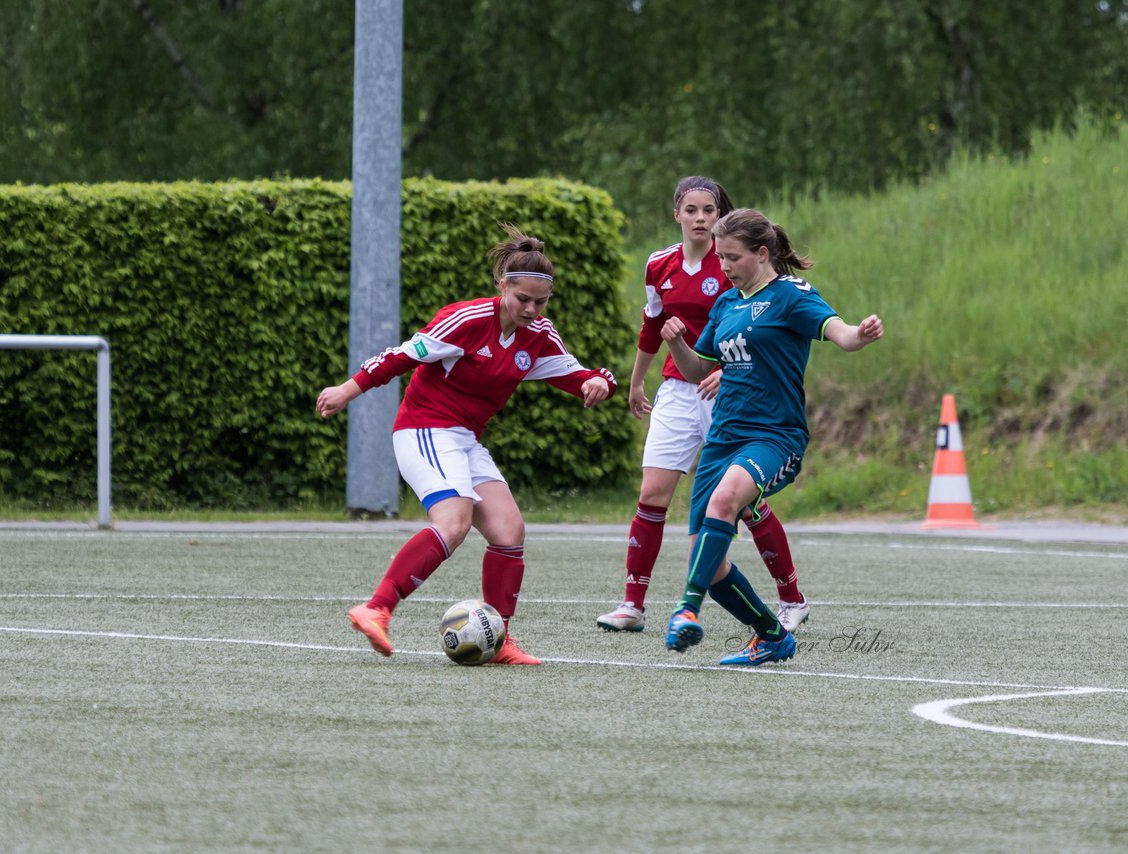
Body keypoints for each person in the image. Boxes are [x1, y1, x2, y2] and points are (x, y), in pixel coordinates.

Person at [316, 224, 617, 665]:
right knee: (453, 523)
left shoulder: (539, 335)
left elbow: (577, 376)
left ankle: (499, 641)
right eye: (523, 299)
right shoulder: (467, 319)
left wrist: (599, 383)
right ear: (503, 286)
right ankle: (377, 607)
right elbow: (400, 356)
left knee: (509, 532)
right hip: (424, 428)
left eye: (541, 301)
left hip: (465, 440)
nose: (532, 309)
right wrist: (348, 389)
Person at [659, 208, 883, 665]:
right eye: (720, 258)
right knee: (709, 563)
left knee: (725, 502)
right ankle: (772, 635)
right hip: (723, 438)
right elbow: (699, 370)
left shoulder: (791, 295)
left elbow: (840, 335)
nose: (724, 267)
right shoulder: (726, 303)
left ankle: (686, 609)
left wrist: (860, 333)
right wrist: (677, 342)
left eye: (732, 258)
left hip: (773, 435)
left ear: (762, 254)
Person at [597, 177, 809, 635]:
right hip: (677, 389)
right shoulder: (659, 264)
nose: (699, 218)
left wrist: (725, 371)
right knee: (652, 493)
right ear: (676, 214)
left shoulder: (735, 263)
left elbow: (753, 332)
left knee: (740, 503)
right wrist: (637, 382)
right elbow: (652, 327)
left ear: (719, 216)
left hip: (728, 393)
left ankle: (790, 597)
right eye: (690, 209)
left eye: (708, 210)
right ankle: (633, 604)